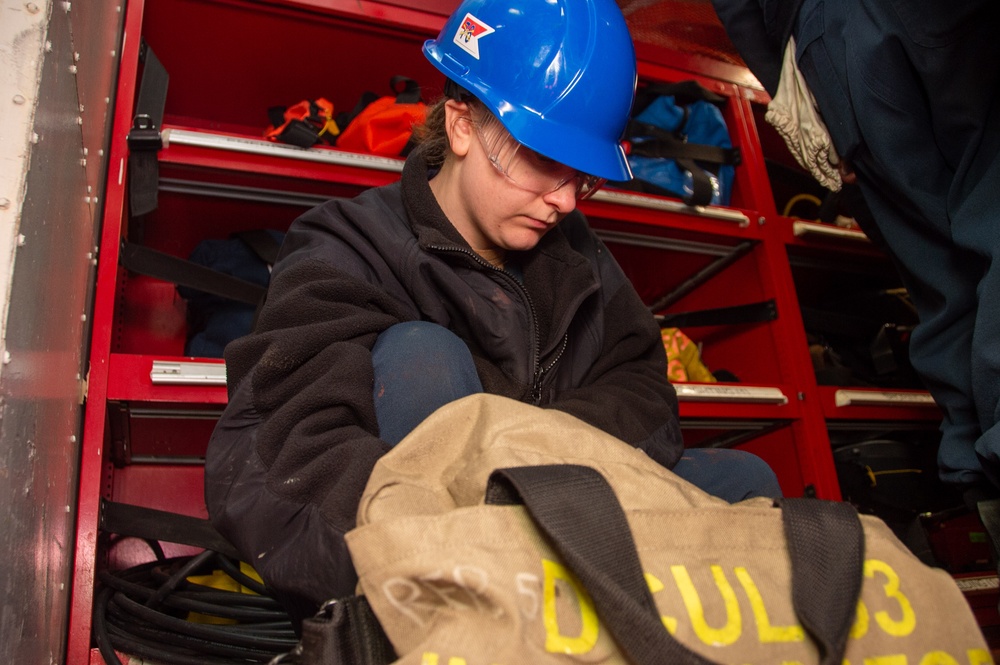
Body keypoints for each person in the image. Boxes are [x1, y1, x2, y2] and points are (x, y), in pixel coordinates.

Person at [205, 0, 781, 624]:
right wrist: (432, 548)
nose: (563, 201)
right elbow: (290, 449)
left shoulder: (578, 257)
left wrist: (530, 471)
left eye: (582, 176)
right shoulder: (345, 249)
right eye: (542, 160)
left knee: (747, 483)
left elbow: (641, 386)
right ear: (461, 125)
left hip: (566, 509)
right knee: (422, 357)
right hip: (429, 551)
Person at [709, 0, 1000, 503]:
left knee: (944, 285)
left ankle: (979, 484)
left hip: (828, 43)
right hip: (932, 24)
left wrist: (797, 88)